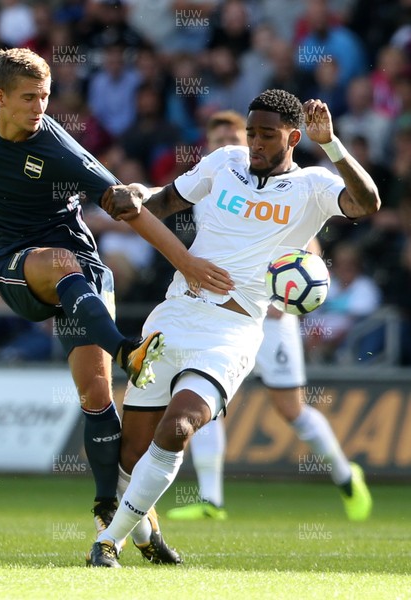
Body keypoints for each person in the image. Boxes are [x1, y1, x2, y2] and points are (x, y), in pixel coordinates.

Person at [88, 88, 380, 567]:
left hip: (232, 332)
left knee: (179, 425)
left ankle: (107, 544)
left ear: (293, 136)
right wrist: (133, 196)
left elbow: (367, 203)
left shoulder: (314, 185)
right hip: (175, 314)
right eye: (251, 133)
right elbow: (161, 204)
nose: (255, 143)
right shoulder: (224, 162)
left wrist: (332, 145)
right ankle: (145, 538)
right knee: (132, 450)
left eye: (267, 135)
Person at [0, 47, 232, 552]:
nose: (40, 106)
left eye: (45, 96)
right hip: (16, 268)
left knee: (97, 398)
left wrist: (184, 260)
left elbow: (125, 206)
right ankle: (128, 349)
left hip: (82, 276)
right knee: (60, 263)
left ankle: (122, 524)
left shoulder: (57, 148)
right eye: (28, 97)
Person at [164, 109, 372, 522]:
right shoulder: (214, 180)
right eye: (219, 137)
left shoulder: (290, 186)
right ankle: (211, 499)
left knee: (289, 410)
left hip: (271, 313)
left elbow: (307, 245)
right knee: (204, 397)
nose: (233, 144)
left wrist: (287, 299)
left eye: (237, 137)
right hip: (215, 313)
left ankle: (346, 475)